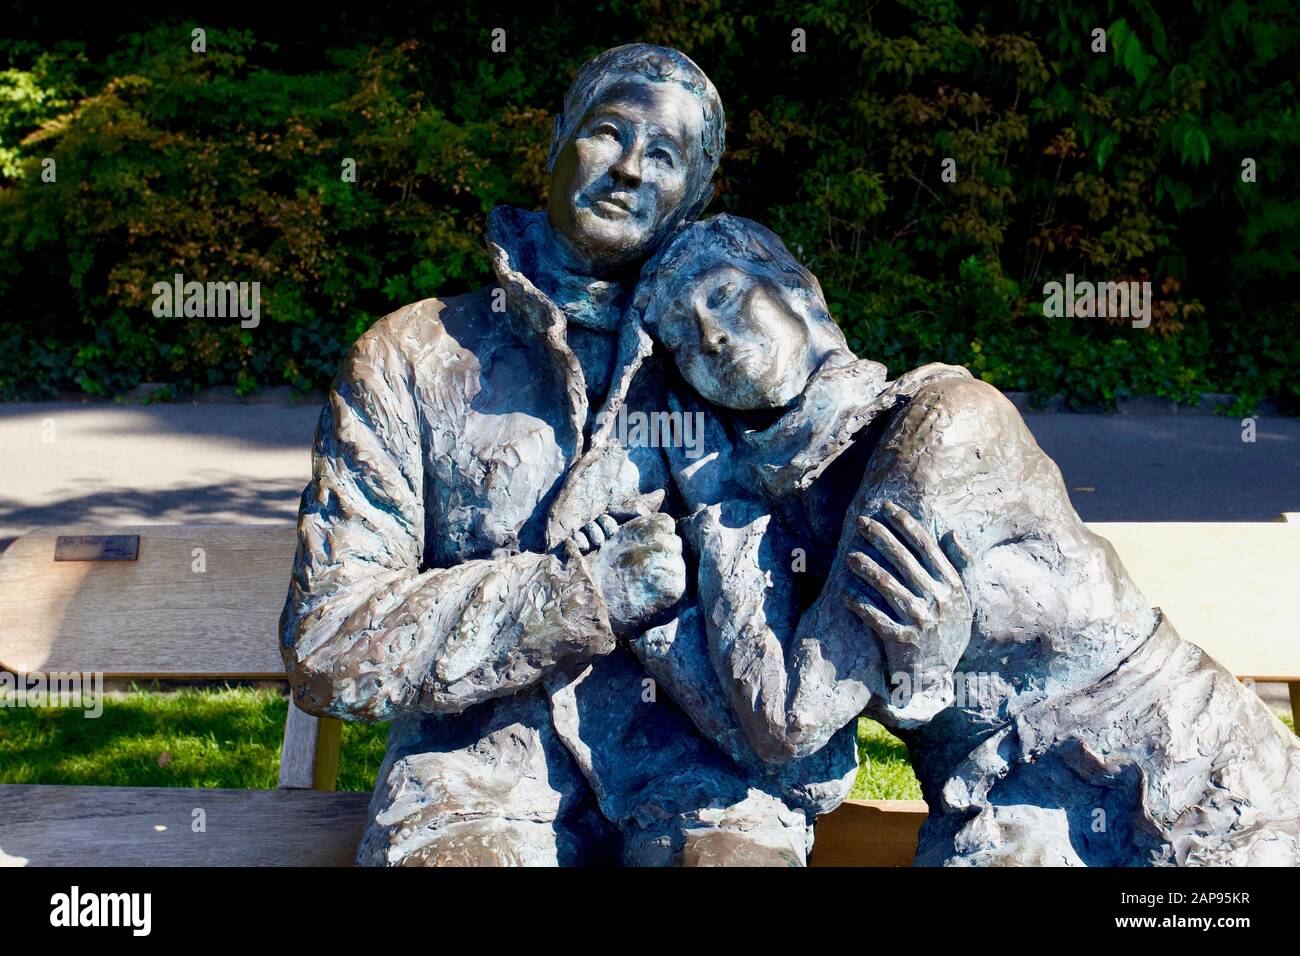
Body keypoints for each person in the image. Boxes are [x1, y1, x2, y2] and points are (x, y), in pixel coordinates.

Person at [638, 213, 1300, 866]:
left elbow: (791, 718)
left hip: (1174, 761)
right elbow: (805, 754)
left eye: (722, 297)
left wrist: (716, 503)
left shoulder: (945, 425)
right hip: (998, 804)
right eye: (682, 339)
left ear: (799, 291)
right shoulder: (778, 515)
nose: (712, 337)